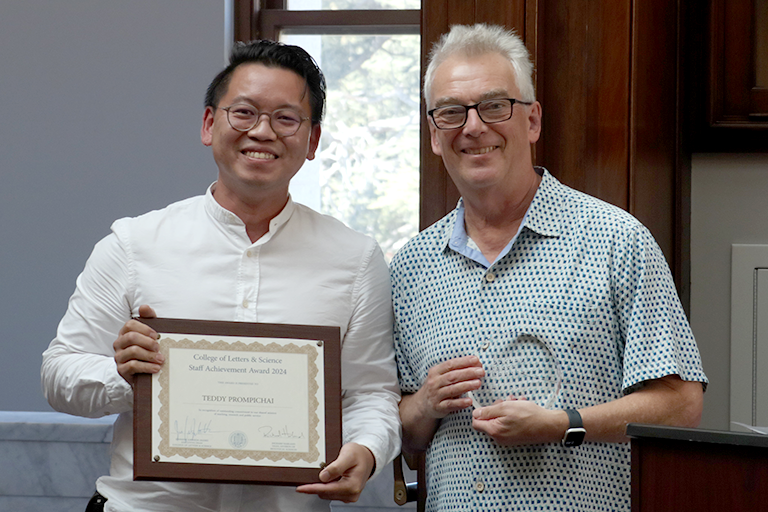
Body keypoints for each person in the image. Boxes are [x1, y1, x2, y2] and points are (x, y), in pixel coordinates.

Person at [41, 40, 400, 512]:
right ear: (210, 124)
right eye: (244, 113)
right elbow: (58, 372)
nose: (263, 131)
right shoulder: (134, 244)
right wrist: (125, 375)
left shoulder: (355, 259)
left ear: (312, 141)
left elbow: (372, 392)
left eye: (287, 118)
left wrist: (367, 450)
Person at [391, 23, 707, 511]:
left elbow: (681, 405)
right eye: (452, 113)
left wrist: (564, 424)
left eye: (494, 106)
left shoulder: (615, 241)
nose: (473, 127)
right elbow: (409, 444)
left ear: (532, 120)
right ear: (435, 135)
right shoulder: (410, 269)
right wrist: (422, 405)